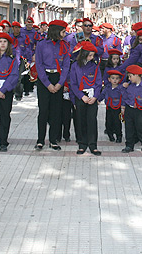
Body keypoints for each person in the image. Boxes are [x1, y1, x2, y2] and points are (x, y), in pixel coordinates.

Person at [35, 19, 71, 150]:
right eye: (63, 31)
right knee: (43, 110)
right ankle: (40, 140)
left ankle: (53, 140)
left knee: (56, 111)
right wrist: (47, 84)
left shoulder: (65, 45)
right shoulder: (41, 44)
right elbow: (38, 65)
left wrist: (60, 83)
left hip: (58, 78)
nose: (65, 33)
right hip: (45, 78)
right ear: (56, 31)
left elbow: (66, 65)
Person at [70, 41, 102, 155]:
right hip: (80, 95)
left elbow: (98, 83)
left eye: (93, 55)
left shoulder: (95, 66)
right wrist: (81, 96)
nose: (91, 57)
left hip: (92, 96)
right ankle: (82, 144)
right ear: (83, 54)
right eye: (89, 55)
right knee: (80, 120)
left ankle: (93, 145)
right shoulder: (75, 66)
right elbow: (73, 84)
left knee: (92, 120)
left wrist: (95, 97)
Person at [121, 65, 142, 153]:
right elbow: (125, 96)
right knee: (129, 127)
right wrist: (123, 106)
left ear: (137, 75)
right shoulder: (129, 85)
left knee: (141, 127)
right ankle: (129, 145)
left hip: (140, 110)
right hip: (130, 109)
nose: (129, 78)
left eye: (130, 76)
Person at [99, 69, 124, 143]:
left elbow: (124, 98)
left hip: (117, 108)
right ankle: (110, 135)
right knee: (108, 121)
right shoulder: (107, 88)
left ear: (119, 80)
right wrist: (98, 100)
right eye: (113, 78)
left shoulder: (121, 88)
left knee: (117, 122)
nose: (115, 80)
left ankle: (119, 136)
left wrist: (123, 106)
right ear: (109, 79)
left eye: (117, 78)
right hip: (109, 107)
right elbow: (102, 94)